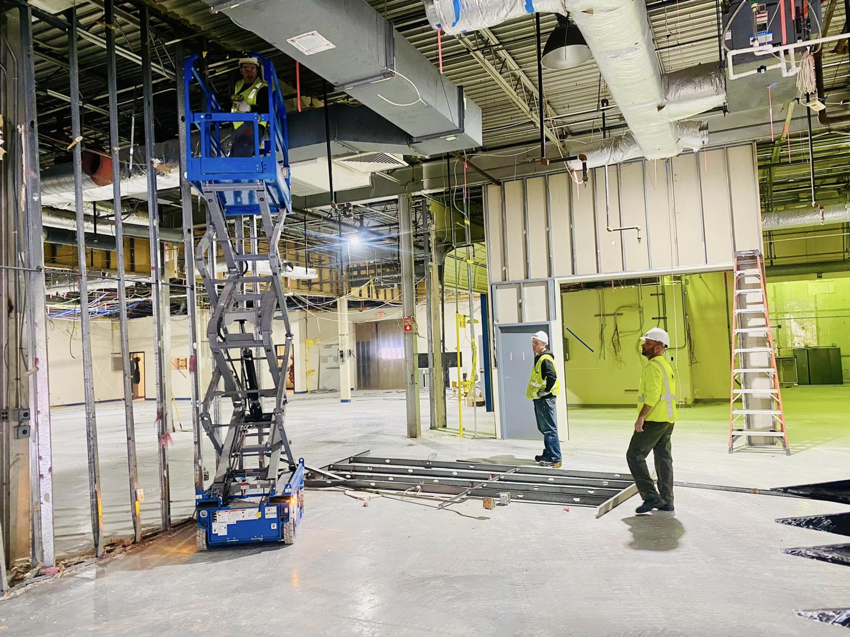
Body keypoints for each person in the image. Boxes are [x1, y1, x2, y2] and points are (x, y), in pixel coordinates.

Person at [628, 327, 677, 514]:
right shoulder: (665, 365)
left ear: (658, 347)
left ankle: (651, 497)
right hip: (667, 419)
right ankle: (666, 500)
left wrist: (641, 418)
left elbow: (653, 396)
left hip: (655, 420)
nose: (643, 346)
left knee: (634, 455)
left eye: (648, 343)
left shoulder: (654, 367)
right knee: (663, 459)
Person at [526, 331, 562, 468]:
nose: (533, 345)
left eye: (537, 343)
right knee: (544, 428)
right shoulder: (540, 358)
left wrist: (545, 391)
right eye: (533, 342)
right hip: (540, 399)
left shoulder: (545, 359)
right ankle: (548, 454)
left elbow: (552, 376)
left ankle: (555, 458)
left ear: (544, 344)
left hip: (545, 399)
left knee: (549, 429)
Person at [230, 57, 268, 158]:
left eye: (252, 69)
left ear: (257, 70)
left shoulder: (262, 88)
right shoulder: (239, 84)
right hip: (238, 126)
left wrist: (249, 108)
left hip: (253, 125)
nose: (249, 72)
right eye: (246, 69)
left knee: (241, 153)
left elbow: (266, 110)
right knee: (234, 156)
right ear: (241, 71)